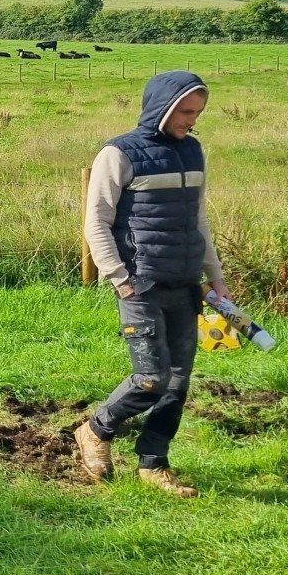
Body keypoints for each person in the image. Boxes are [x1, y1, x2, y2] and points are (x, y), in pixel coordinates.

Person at [73, 69, 229, 497]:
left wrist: (215, 278)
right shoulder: (118, 153)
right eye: (185, 111)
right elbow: (96, 222)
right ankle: (95, 430)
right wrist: (120, 279)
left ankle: (154, 463)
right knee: (151, 378)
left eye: (197, 113)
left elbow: (199, 221)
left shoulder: (193, 152)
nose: (192, 121)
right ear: (162, 106)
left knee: (178, 382)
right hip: (139, 285)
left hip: (186, 285)